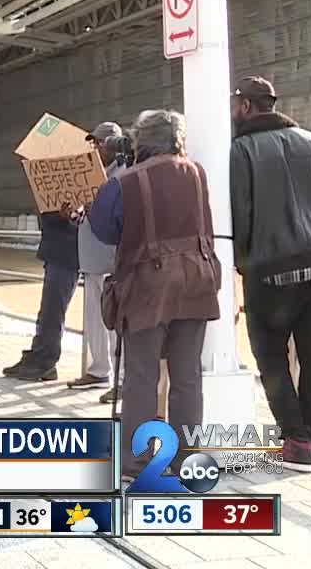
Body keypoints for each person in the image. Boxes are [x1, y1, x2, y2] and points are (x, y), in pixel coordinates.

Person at [88, 110, 222, 478]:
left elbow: (103, 228)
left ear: (140, 141)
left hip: (146, 286)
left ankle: (136, 460)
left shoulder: (126, 181)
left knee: (142, 375)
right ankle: (186, 460)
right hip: (197, 281)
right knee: (187, 375)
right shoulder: (197, 173)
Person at [231, 76, 311, 472]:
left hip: (268, 272)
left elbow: (241, 216)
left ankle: (296, 439)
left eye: (236, 103)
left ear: (247, 105)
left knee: (270, 356)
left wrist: (241, 262)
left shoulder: (241, 150)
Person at [65, 122, 129, 393]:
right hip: (90, 259)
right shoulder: (88, 175)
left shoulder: (123, 177)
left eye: (100, 143)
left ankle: (123, 379)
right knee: (94, 320)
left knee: (115, 321)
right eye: (93, 143)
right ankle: (98, 370)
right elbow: (84, 218)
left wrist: (97, 209)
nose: (96, 148)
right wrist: (71, 213)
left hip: (111, 260)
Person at [3, 185, 81, 382]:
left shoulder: (80, 186)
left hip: (67, 255)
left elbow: (81, 220)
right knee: (47, 311)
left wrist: (65, 216)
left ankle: (45, 362)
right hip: (55, 252)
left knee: (53, 311)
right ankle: (38, 356)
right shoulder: (55, 187)